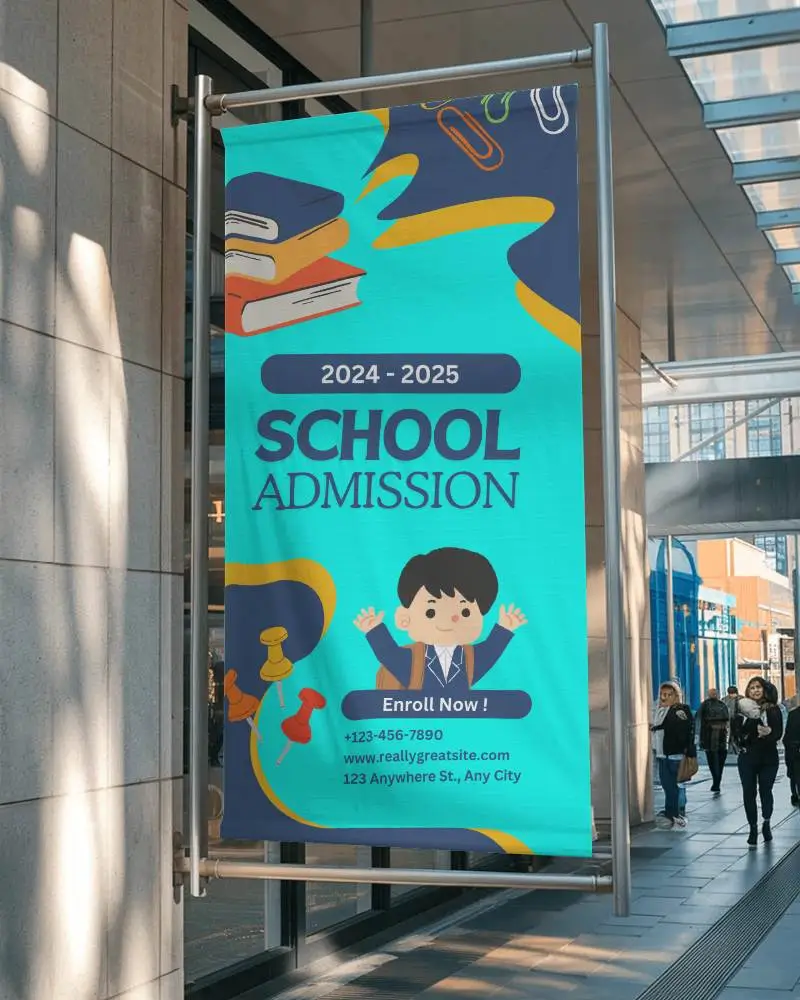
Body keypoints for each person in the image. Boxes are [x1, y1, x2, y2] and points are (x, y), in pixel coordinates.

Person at [355, 547, 527, 691]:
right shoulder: (413, 660)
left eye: (465, 612)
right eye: (430, 611)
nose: (452, 618)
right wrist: (375, 631)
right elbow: (391, 657)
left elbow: (488, 653)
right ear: (404, 617)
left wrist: (504, 629)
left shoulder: (469, 659)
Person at [731, 677, 784, 847]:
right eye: (752, 687)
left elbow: (778, 733)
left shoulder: (772, 709)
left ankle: (766, 822)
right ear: (747, 691)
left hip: (768, 758)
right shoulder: (741, 711)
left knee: (766, 791)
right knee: (749, 792)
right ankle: (753, 828)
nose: (755, 690)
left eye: (758, 687)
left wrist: (768, 732)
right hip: (748, 758)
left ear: (764, 689)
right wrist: (741, 735)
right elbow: (736, 734)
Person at [651, 681, 695, 830]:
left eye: (669, 694)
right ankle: (671, 812)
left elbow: (684, 730)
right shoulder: (661, 710)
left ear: (676, 695)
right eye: (663, 694)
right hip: (663, 754)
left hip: (675, 754)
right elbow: (660, 726)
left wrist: (682, 749)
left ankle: (676, 813)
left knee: (675, 786)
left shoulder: (680, 710)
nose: (664, 698)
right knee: (667, 785)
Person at [698, 688, 729, 794]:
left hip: (718, 738)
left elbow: (727, 720)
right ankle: (716, 781)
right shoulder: (706, 705)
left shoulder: (720, 705)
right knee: (714, 761)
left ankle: (717, 781)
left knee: (717, 761)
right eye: (713, 693)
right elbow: (700, 721)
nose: (714, 695)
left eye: (715, 693)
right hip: (711, 738)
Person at [783, 701, 800, 807]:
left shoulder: (793, 714)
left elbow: (788, 735)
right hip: (794, 750)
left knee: (794, 774)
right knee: (795, 774)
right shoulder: (793, 714)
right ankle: (795, 795)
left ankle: (795, 795)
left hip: (793, 750)